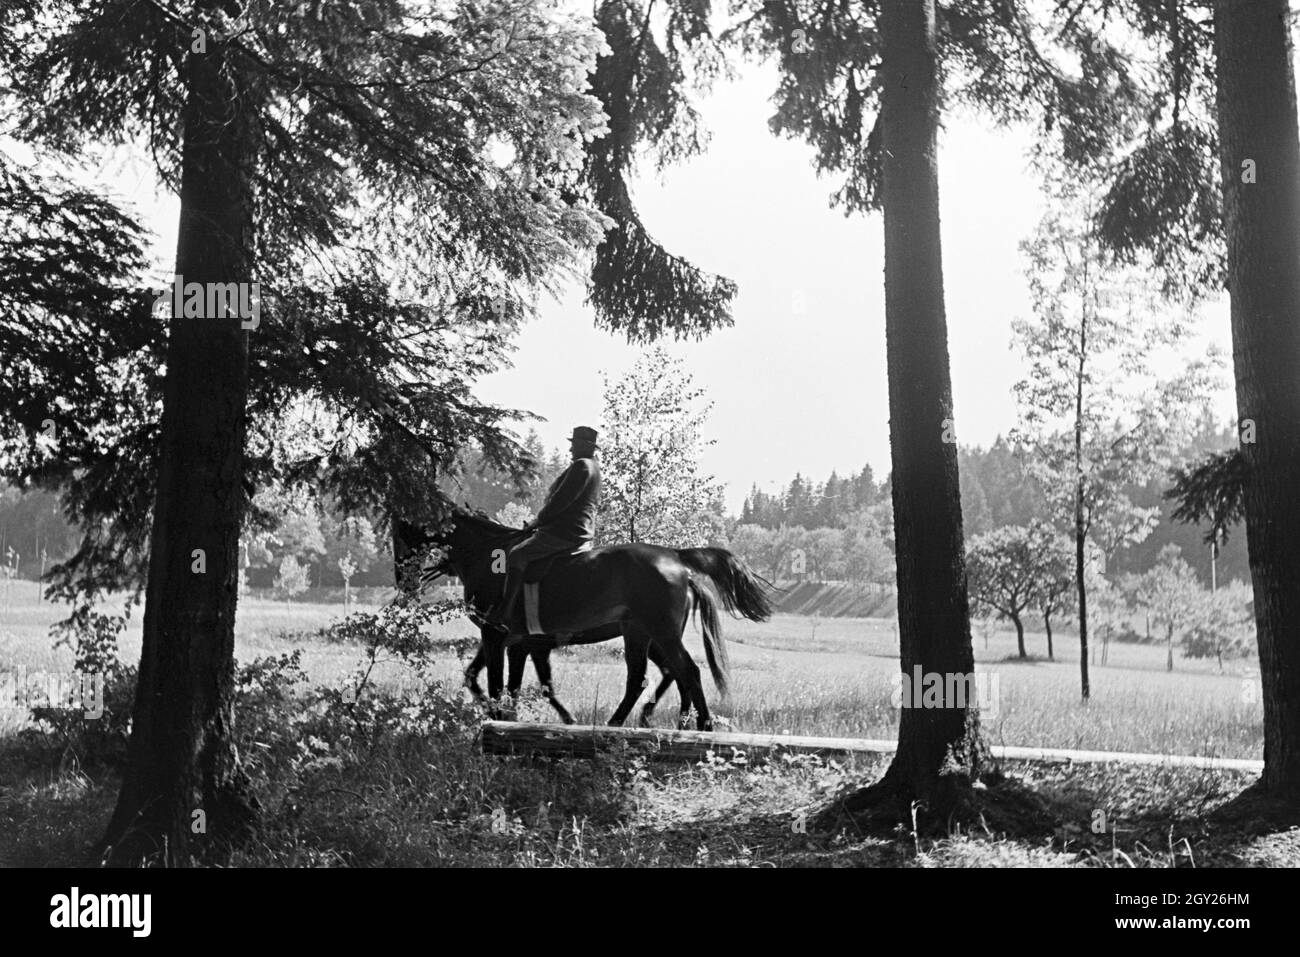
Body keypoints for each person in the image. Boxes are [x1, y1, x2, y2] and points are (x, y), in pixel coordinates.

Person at [484, 426, 601, 630]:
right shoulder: (594, 467)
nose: (571, 449)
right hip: (579, 530)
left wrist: (536, 522)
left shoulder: (581, 466)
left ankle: (505, 611)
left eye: (574, 444)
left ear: (584, 446)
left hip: (566, 532)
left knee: (516, 554)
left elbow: (560, 502)